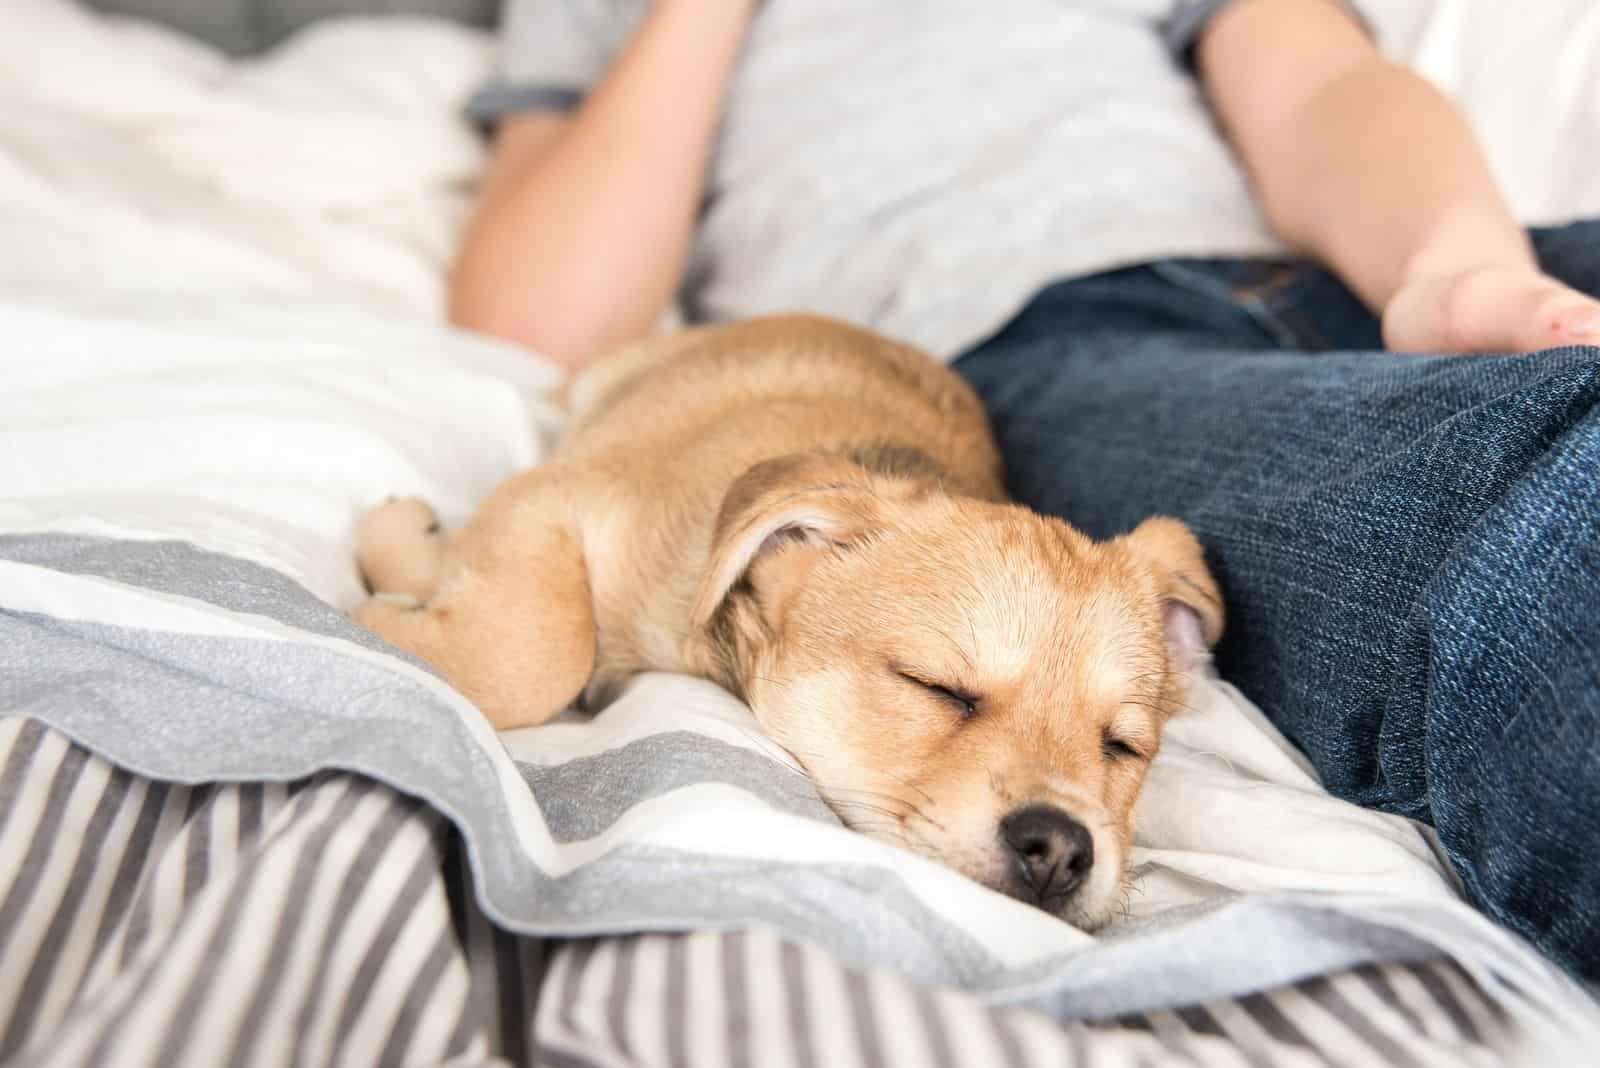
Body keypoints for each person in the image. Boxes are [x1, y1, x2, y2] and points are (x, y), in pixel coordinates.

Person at [452, 0, 1600, 985]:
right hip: (1057, 339)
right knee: (1551, 483)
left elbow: (1315, 84)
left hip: (1387, 258)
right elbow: (537, 321)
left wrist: (1457, 261)